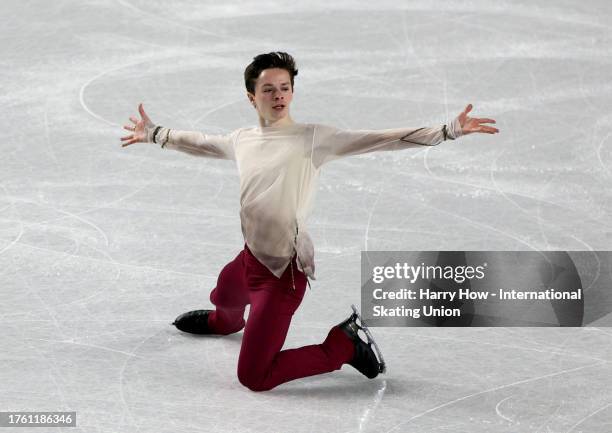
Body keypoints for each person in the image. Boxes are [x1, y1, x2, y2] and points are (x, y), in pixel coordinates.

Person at [120, 51, 499, 392]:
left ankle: (344, 344)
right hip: (249, 260)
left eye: (285, 87)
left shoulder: (313, 138)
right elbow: (200, 143)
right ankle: (225, 323)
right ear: (252, 97)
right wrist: (155, 134)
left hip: (281, 276)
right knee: (222, 297)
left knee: (254, 377)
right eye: (268, 89)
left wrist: (447, 130)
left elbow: (382, 139)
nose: (279, 95)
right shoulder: (242, 139)